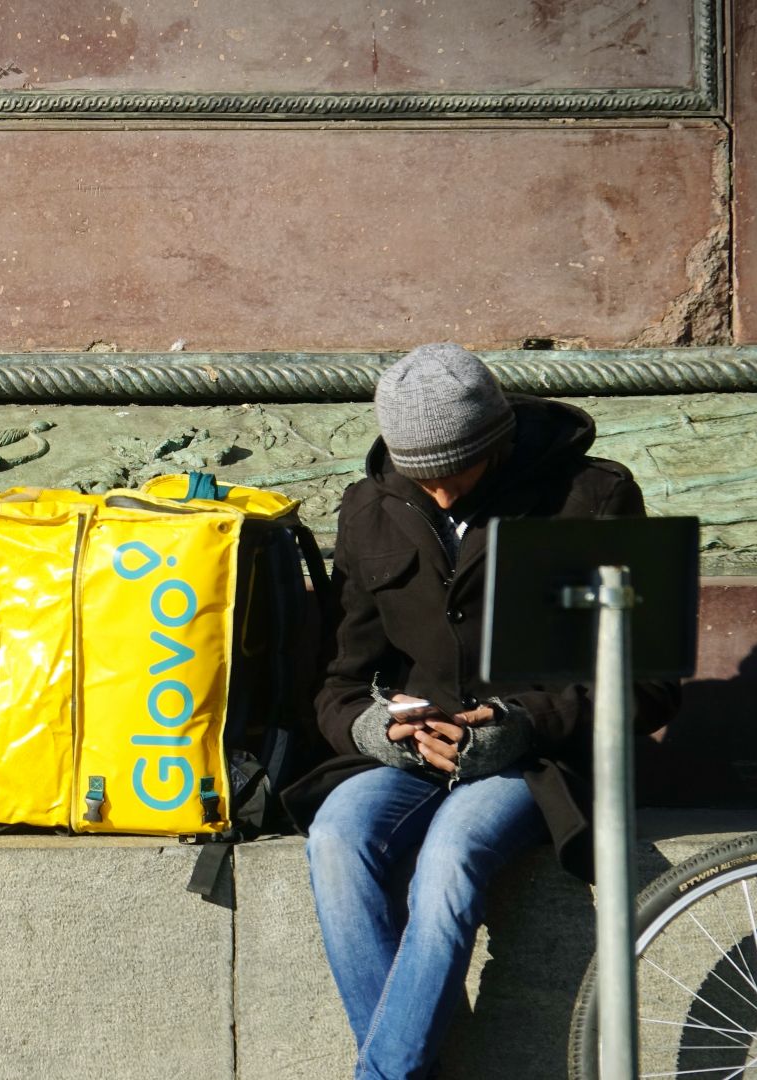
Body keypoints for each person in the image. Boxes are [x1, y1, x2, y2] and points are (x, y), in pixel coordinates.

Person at [280, 343, 678, 1079]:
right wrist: (378, 729)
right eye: (419, 477)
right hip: (414, 754)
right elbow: (338, 683)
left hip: (533, 759)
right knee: (336, 836)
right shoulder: (371, 506)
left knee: (450, 857)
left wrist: (519, 723)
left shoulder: (590, 498)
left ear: (493, 444)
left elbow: (649, 682)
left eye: (452, 474)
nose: (437, 495)